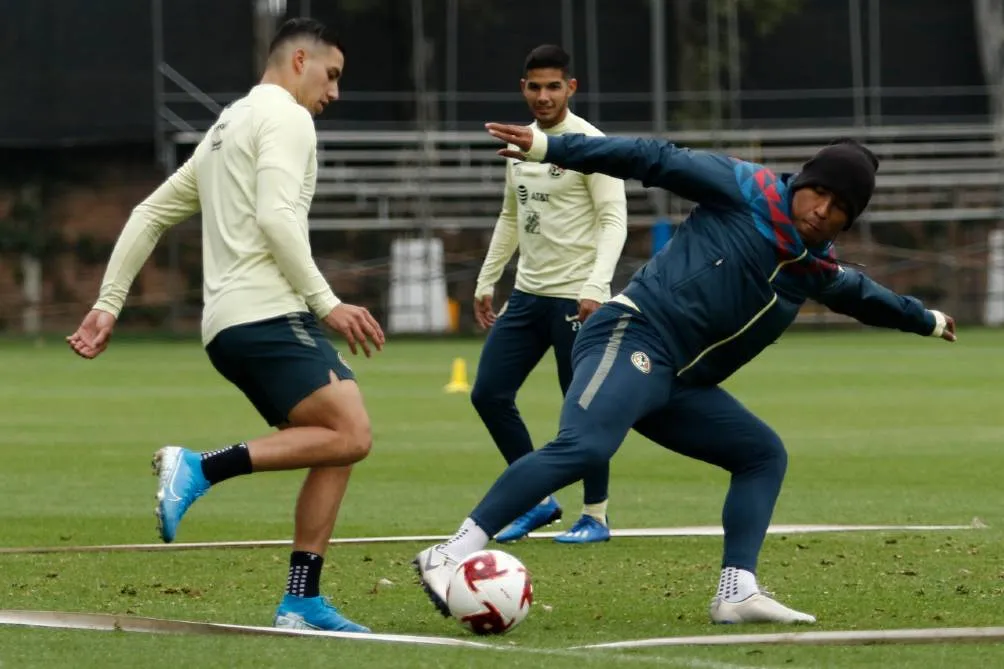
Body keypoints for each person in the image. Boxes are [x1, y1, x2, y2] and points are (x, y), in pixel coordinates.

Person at [414, 125, 957, 624]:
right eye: (821, 193)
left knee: (762, 454)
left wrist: (926, 320)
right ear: (804, 182)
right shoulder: (745, 188)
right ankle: (449, 552)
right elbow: (652, 158)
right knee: (586, 447)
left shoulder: (814, 269)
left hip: (678, 385)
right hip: (631, 336)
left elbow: (866, 297)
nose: (823, 210)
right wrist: (552, 149)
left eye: (841, 208)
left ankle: (736, 590)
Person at [66, 18, 384, 633]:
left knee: (334, 443)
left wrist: (108, 303)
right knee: (354, 433)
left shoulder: (226, 125)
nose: (334, 92)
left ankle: (302, 600)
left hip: (228, 327)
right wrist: (328, 303)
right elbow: (275, 217)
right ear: (298, 61)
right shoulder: (288, 119)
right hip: (268, 314)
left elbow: (148, 212)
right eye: (332, 75)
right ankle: (199, 467)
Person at [471, 44, 628, 545]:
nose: (543, 96)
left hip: (576, 298)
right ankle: (538, 500)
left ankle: (596, 516)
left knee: (583, 410)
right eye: (535, 86)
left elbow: (613, 219)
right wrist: (486, 278)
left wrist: (596, 286)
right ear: (523, 88)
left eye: (553, 86)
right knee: (488, 393)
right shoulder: (524, 143)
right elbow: (511, 215)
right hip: (528, 295)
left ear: (571, 88)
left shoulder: (590, 143)